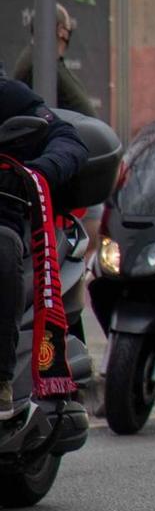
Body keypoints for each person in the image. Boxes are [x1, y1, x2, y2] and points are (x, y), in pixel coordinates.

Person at [0, 76, 88, 418]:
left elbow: (67, 139)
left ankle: (2, 380)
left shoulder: (8, 95)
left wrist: (36, 172)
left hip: (5, 218)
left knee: (2, 247)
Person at [10, 3, 96, 117]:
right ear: (61, 30)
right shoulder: (38, 63)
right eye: (68, 26)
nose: (69, 32)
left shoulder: (46, 60)